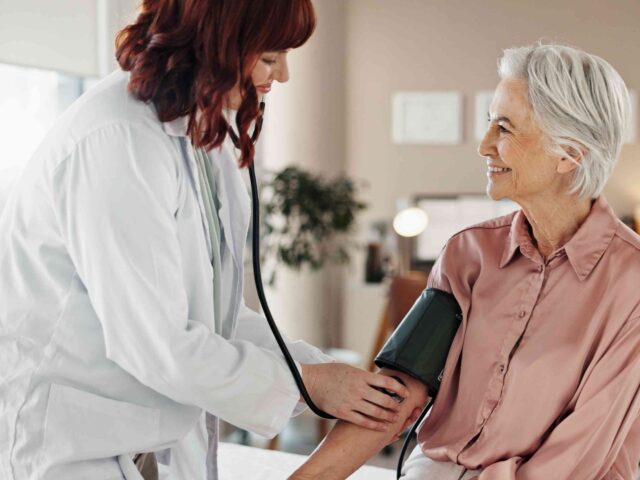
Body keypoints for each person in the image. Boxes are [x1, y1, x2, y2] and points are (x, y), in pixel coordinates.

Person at [0, 1, 411, 479]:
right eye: (270, 57)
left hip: (140, 440)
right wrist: (309, 383)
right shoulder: (117, 139)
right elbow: (157, 344)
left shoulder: (198, 133)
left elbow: (216, 314)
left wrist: (327, 377)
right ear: (217, 43)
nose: (283, 76)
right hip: (67, 443)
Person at [289, 43, 640, 480]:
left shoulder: (631, 283)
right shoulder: (468, 253)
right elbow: (400, 390)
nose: (484, 145)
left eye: (504, 128)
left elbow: (577, 458)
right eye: (489, 122)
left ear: (570, 152)